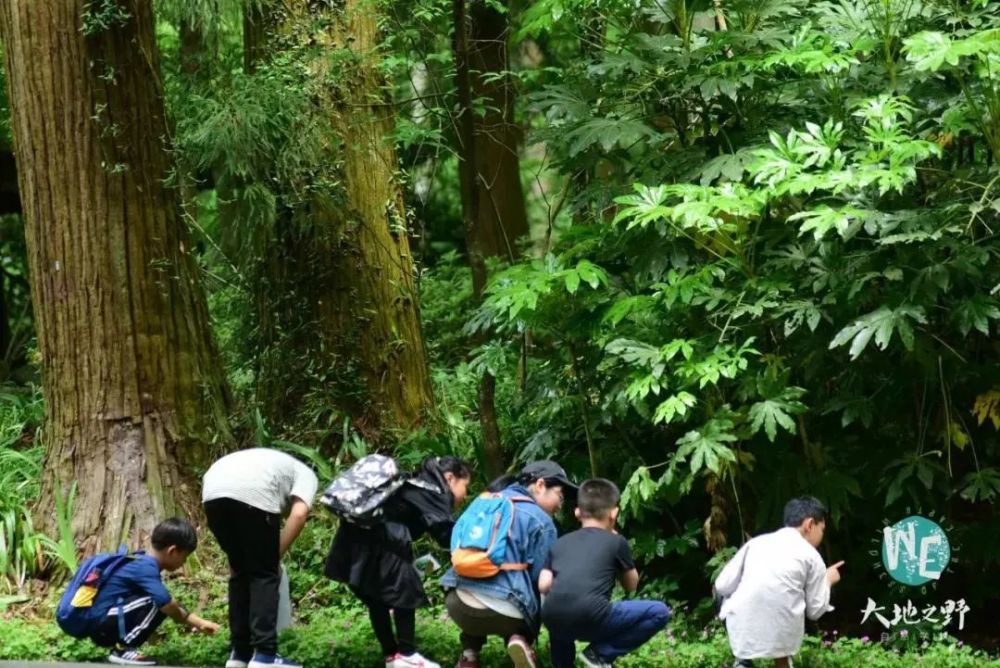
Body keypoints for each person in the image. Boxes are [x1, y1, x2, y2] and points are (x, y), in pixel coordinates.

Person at [325, 456, 472, 668]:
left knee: (377, 598)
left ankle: (392, 656)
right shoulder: (431, 492)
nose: (465, 495)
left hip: (355, 540)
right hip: (386, 541)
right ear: (450, 478)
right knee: (406, 591)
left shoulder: (409, 484)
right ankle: (407, 655)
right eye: (465, 486)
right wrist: (477, 543)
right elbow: (445, 534)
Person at [442, 460, 575, 668]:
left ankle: (469, 655)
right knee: (534, 591)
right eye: (560, 495)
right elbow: (541, 581)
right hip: (507, 614)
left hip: (456, 603)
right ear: (540, 485)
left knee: (475, 579)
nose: (560, 504)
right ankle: (520, 640)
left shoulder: (484, 501)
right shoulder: (542, 521)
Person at [202, 448, 319, 668]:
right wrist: (274, 556)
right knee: (263, 574)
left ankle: (239, 655)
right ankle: (265, 655)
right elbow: (299, 513)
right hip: (253, 494)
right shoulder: (306, 473)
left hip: (212, 494)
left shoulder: (272, 461)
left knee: (240, 572)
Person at [540, 478, 669, 668]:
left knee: (559, 612)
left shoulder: (560, 542)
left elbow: (543, 584)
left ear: (577, 512)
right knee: (659, 612)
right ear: (614, 513)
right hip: (592, 616)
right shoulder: (616, 542)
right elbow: (631, 586)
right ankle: (599, 653)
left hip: (553, 617)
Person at [714, 496, 845, 668]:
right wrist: (827, 580)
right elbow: (815, 611)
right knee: (786, 604)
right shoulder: (812, 556)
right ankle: (782, 662)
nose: (822, 535)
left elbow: (722, 585)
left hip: (742, 629)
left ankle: (743, 660)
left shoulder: (756, 543)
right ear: (809, 525)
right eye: (822, 529)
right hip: (784, 637)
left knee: (722, 594)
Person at [88, 518, 219, 666]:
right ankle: (123, 650)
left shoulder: (142, 561)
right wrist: (189, 619)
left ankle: (123, 649)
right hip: (101, 622)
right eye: (185, 557)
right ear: (173, 551)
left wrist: (200, 623)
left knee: (163, 602)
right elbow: (166, 604)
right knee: (161, 604)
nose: (184, 562)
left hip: (103, 622)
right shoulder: (145, 568)